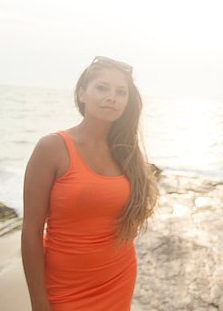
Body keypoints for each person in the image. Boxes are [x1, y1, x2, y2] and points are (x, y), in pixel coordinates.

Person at [21, 56, 158, 311]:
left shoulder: (127, 152)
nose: (112, 97)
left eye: (121, 92)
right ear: (82, 93)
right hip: (64, 286)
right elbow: (31, 232)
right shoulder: (52, 147)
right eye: (102, 88)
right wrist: (38, 302)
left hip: (117, 277)